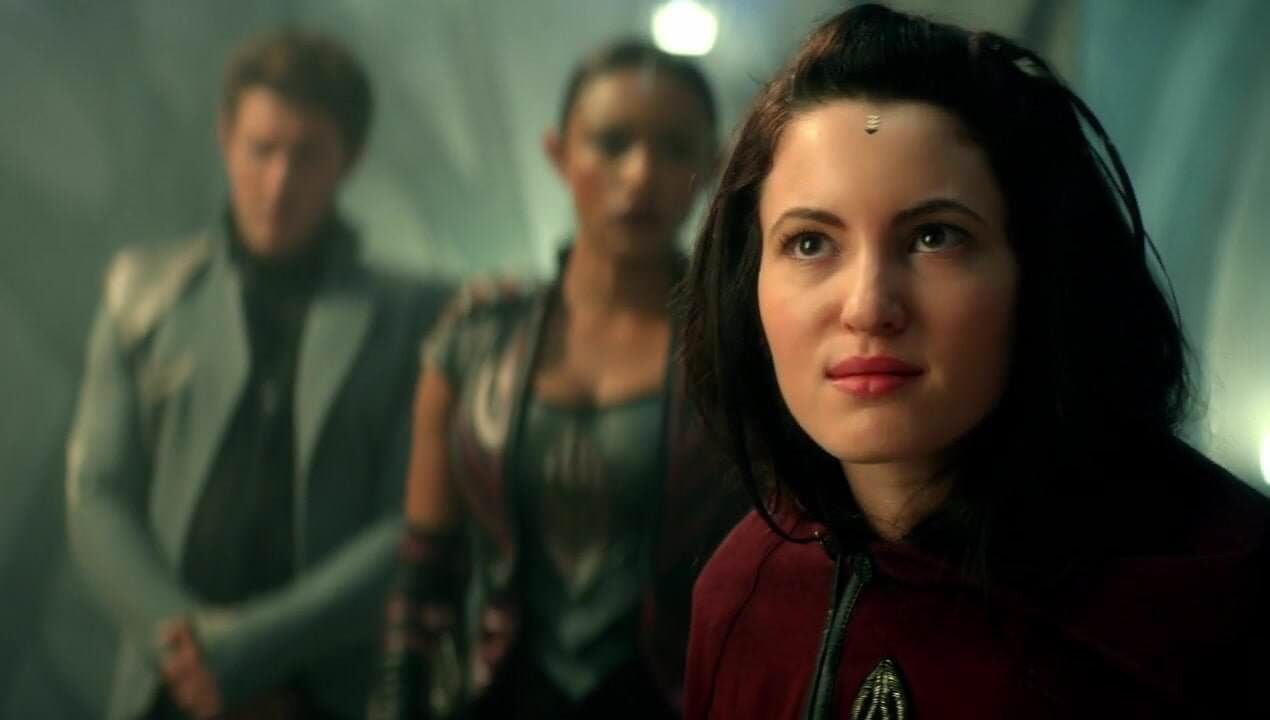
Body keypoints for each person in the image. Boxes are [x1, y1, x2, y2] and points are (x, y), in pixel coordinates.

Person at [678, 4, 1270, 719]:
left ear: (1041, 268)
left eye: (935, 237)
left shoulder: (1217, 603)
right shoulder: (744, 598)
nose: (868, 306)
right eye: (810, 243)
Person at [66, 29, 451, 720]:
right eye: (262, 149)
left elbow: (408, 522)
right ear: (226, 138)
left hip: (322, 692)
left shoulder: (412, 321)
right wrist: (186, 647)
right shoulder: (144, 297)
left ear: (350, 158)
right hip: (169, 687)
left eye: (307, 156)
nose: (279, 184)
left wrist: (253, 649)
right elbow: (98, 494)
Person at [369, 39, 744, 720]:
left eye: (674, 148)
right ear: (559, 152)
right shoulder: (475, 339)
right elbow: (424, 572)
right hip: (498, 697)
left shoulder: (740, 354)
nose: (640, 174)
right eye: (612, 142)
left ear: (711, 164)